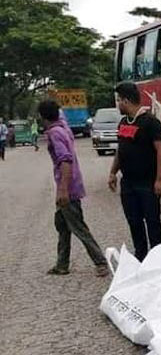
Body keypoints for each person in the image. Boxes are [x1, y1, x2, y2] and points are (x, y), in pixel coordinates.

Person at [38, 100, 108, 277]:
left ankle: (100, 262)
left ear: (42, 116)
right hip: (72, 184)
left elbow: (65, 160)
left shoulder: (55, 133)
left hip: (68, 188)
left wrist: (62, 190)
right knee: (62, 225)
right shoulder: (63, 127)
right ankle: (62, 264)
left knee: (78, 227)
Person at [108, 82, 161, 261]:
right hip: (128, 182)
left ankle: (158, 257)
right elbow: (121, 149)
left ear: (126, 100)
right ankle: (140, 255)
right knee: (134, 221)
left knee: (152, 221)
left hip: (147, 182)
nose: (118, 104)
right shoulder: (123, 122)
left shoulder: (150, 122)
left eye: (119, 100)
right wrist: (113, 172)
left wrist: (160, 179)